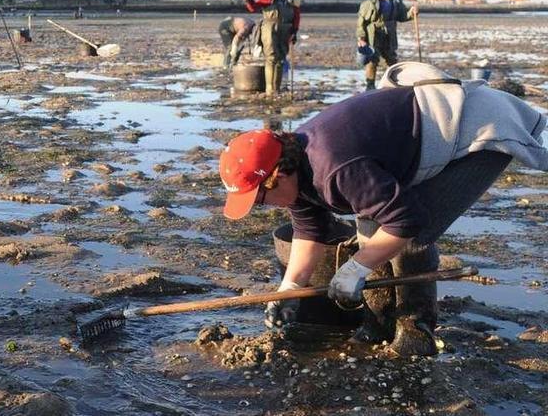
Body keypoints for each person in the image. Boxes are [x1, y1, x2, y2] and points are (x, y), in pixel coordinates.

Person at [218, 62, 548, 356]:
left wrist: (355, 268)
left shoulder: (334, 167)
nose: (262, 206)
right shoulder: (296, 173)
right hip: (411, 145)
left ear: (279, 174)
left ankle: (415, 333)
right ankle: (378, 323)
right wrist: (287, 292)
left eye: (260, 198)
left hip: (477, 131)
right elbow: (309, 230)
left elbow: (406, 221)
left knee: (415, 237)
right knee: (371, 237)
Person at [243, 0, 300, 94]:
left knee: (281, 58)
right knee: (271, 58)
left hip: (285, 29)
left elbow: (296, 17)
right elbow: (254, 7)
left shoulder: (293, 0)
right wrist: (249, 1)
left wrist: (294, 31)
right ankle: (270, 90)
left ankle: (276, 89)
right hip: (269, 28)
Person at [357, 0, 419, 90]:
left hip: (389, 35)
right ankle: (370, 86)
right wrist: (361, 38)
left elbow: (403, 16)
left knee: (392, 61)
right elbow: (361, 22)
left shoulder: (396, 2)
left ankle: (393, 84)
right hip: (373, 35)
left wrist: (412, 13)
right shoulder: (370, 3)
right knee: (372, 60)